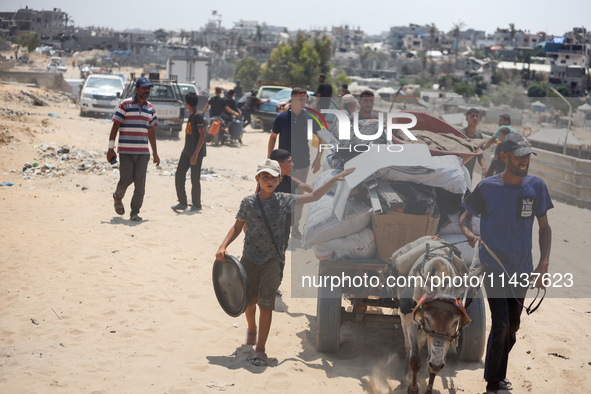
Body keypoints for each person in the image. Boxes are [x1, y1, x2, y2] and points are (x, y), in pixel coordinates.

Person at [215, 159, 354, 367]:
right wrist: (223, 246)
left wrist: (334, 179)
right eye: (265, 177)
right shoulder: (248, 203)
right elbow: (236, 227)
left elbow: (314, 196)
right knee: (248, 302)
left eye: (273, 177)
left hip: (273, 260)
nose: (269, 180)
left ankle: (261, 349)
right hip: (249, 259)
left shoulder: (284, 200)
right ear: (258, 179)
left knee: (266, 304)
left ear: (280, 180)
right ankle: (251, 329)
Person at [459, 133, 553, 394]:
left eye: (527, 156)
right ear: (504, 157)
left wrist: (543, 264)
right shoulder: (487, 187)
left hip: (522, 269)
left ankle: (497, 373)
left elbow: (545, 228)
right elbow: (464, 218)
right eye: (519, 156)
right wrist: (468, 234)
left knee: (512, 326)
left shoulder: (537, 186)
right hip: (493, 267)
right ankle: (493, 382)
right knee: (500, 322)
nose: (524, 161)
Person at [267, 87, 322, 238]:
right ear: (292, 99)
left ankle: (295, 227)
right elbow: (273, 137)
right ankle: (278, 224)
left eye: (305, 99)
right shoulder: (282, 117)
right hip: (282, 165)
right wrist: (269, 158)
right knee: (280, 194)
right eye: (300, 99)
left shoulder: (309, 118)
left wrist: (318, 159)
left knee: (298, 196)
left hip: (303, 162)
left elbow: (322, 138)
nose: (303, 102)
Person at [107, 77, 160, 222]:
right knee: (126, 179)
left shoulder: (151, 108)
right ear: (137, 89)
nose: (146, 91)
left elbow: (151, 132)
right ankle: (117, 197)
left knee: (140, 185)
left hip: (143, 153)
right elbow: (115, 126)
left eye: (148, 88)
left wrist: (155, 153)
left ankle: (134, 212)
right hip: (125, 151)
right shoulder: (125, 105)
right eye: (143, 88)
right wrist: (111, 148)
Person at [256, 149, 313, 251]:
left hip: (284, 224)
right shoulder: (265, 182)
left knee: (281, 251)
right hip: (267, 222)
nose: (292, 164)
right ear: (279, 164)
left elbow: (307, 187)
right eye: (289, 161)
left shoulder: (289, 180)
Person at [171, 92, 206, 212]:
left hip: (195, 153)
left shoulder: (197, 116)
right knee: (179, 175)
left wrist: (195, 154)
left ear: (187, 104)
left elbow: (202, 136)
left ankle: (196, 204)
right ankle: (182, 202)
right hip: (186, 152)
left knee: (194, 179)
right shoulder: (191, 116)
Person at [461, 108, 487, 181]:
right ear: (467, 119)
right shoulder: (461, 134)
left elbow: (480, 153)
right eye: (472, 116)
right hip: (459, 171)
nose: (475, 118)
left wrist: (483, 166)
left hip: (469, 173)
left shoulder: (479, 135)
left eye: (477, 116)